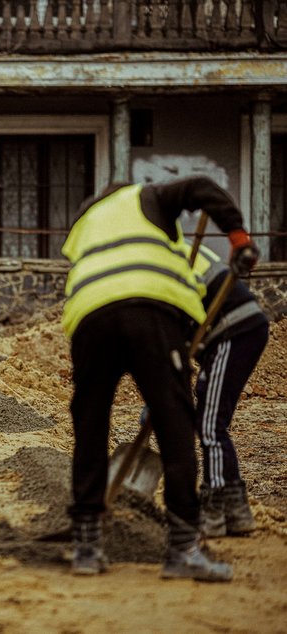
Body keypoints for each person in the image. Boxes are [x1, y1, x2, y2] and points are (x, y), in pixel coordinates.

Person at [62, 176, 258, 582]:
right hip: (149, 308)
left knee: (90, 424)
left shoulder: (84, 220)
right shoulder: (146, 196)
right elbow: (202, 186)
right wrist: (238, 238)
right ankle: (183, 548)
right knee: (175, 426)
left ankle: (86, 545)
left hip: (88, 316)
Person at [188, 242, 268, 537]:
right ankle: (236, 511)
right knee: (210, 414)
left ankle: (214, 508)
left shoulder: (169, 257)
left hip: (234, 329)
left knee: (210, 426)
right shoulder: (175, 249)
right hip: (238, 329)